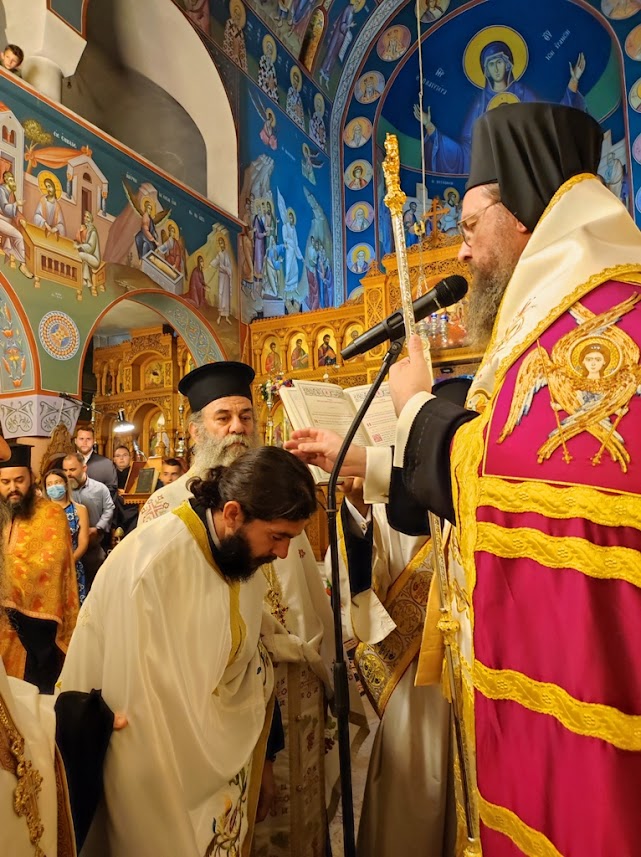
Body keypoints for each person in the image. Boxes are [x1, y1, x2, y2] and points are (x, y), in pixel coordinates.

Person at [286, 102, 641, 854]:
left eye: (472, 223)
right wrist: (372, 466)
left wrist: (416, 407)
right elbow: (490, 470)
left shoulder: (602, 328)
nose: (462, 248)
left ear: (523, 213)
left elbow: (520, 486)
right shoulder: (555, 321)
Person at [60, 446, 318, 856]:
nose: (282, 553)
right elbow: (137, 727)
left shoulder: (236, 554)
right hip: (156, 781)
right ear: (232, 513)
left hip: (213, 765)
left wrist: (264, 757)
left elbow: (249, 658)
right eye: (277, 536)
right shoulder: (154, 568)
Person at [138, 362, 340, 857]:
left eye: (246, 417)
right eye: (223, 417)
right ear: (195, 430)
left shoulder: (277, 493)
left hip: (300, 688)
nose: (237, 429)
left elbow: (308, 592)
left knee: (304, 826)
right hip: (228, 697)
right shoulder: (166, 509)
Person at [414, 41, 586, 174]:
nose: (496, 68)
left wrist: (573, 81)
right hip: (495, 168)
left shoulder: (522, 93)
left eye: (499, 62)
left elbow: (547, 122)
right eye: (491, 64)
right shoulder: (480, 103)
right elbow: (469, 149)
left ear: (507, 64)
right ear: (486, 70)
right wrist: (430, 126)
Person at [0, 444, 78, 693]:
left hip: (37, 624)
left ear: (31, 478)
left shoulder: (51, 514)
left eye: (19, 480)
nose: (12, 488)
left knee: (33, 689)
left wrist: (8, 589)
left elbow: (52, 565)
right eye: (5, 482)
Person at [63, 453, 115, 592]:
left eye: (72, 469)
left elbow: (109, 509)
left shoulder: (100, 489)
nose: (68, 474)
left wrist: (98, 528)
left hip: (93, 547)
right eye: (65, 470)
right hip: (69, 550)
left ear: (84, 468)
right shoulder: (62, 491)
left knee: (96, 587)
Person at [44, 468, 90, 605]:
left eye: (57, 482)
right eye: (49, 484)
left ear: (65, 484)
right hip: (46, 568)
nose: (54, 486)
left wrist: (68, 563)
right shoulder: (41, 512)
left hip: (72, 565)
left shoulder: (80, 510)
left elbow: (83, 542)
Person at [0, 171, 33, 278]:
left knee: (17, 233)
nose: (13, 182)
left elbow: (15, 212)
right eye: (10, 180)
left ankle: (16, 257)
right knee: (18, 236)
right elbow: (5, 208)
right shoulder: (1, 190)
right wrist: (16, 204)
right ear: (6, 181)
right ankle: (23, 265)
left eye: (13, 180)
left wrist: (21, 219)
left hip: (6, 222)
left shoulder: (11, 194)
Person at [75, 426, 118, 493]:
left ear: (93, 441)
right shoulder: (66, 463)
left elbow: (112, 489)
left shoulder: (106, 464)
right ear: (75, 441)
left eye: (88, 439)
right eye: (81, 439)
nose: (85, 442)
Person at [73, 211, 101, 289]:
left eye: (87, 217)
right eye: (85, 216)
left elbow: (90, 248)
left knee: (80, 255)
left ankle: (81, 279)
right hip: (90, 256)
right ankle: (87, 281)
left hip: (95, 260)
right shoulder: (88, 229)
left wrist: (79, 246)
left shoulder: (93, 232)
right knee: (84, 259)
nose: (85, 218)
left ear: (90, 219)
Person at [211, 235, 233, 324]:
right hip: (221, 276)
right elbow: (214, 262)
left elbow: (229, 268)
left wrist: (224, 268)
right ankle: (220, 315)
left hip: (226, 277)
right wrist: (210, 266)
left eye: (222, 243)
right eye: (220, 243)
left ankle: (226, 316)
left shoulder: (227, 254)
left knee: (226, 296)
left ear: (224, 244)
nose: (221, 245)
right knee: (220, 294)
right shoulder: (219, 254)